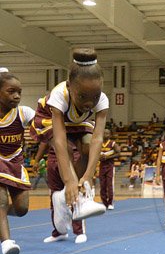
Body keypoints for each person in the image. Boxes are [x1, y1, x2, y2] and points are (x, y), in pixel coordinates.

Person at [30, 48, 108, 235]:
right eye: (82, 96)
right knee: (68, 148)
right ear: (69, 87)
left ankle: (81, 196)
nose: (89, 102)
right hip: (49, 118)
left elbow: (97, 138)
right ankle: (70, 193)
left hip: (78, 122)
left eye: (95, 96)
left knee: (87, 145)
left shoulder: (102, 100)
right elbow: (59, 140)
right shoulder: (60, 95)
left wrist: (88, 175)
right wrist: (69, 180)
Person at [0, 70, 35, 254]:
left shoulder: (24, 112)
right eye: (11, 91)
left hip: (15, 163)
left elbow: (44, 128)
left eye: (19, 92)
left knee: (22, 209)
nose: (17, 96)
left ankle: (1, 217)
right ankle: (6, 243)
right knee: (1, 201)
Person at [42, 143, 88, 244]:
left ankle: (80, 232)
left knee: (74, 193)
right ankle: (59, 231)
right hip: (53, 155)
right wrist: (37, 159)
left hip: (72, 154)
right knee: (55, 196)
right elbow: (44, 140)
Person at [99, 129, 120, 210]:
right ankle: (104, 203)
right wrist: (99, 157)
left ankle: (110, 203)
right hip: (101, 166)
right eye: (104, 133)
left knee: (109, 184)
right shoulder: (99, 143)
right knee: (102, 185)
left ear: (110, 134)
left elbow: (118, 153)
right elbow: (95, 154)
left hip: (110, 166)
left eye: (107, 133)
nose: (105, 134)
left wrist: (108, 157)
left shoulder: (113, 143)